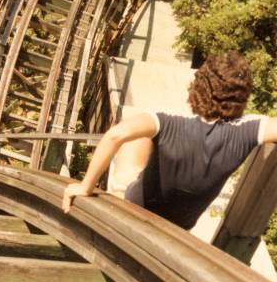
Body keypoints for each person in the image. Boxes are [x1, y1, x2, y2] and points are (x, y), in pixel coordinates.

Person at [62, 50, 277, 229]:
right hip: (180, 226)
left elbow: (115, 135)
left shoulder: (168, 121)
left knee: (138, 134)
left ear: (199, 84)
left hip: (136, 207)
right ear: (241, 96)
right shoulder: (249, 130)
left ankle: (118, 189)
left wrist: (85, 187)